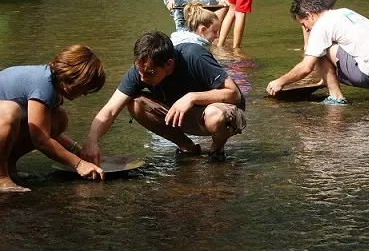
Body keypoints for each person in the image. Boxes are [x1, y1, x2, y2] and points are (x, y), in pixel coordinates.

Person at [80, 30, 246, 163]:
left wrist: (191, 97)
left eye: (150, 73)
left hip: (223, 116)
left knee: (215, 116)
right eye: (140, 71)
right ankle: (187, 148)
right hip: (179, 114)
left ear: (169, 63)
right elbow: (110, 110)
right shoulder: (141, 71)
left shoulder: (194, 56)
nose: (143, 78)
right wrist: (91, 141)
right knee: (134, 103)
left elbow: (235, 94)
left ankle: (216, 151)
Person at [0, 46, 106, 192]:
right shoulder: (42, 85)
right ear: (74, 78)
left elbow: (44, 129)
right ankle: (1, 177)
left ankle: (9, 166)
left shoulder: (51, 87)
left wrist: (77, 151)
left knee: (58, 118)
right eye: (86, 88)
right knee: (10, 111)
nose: (86, 94)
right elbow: (41, 139)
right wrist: (79, 164)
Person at [266, 0, 369, 104]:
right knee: (362, 48)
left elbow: (306, 67)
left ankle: (336, 97)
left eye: (303, 24)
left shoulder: (321, 26)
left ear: (310, 15)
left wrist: (280, 81)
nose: (306, 29)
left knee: (319, 50)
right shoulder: (345, 12)